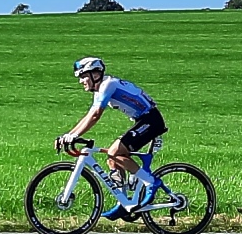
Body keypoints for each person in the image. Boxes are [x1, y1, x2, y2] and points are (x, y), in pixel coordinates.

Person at [56, 57, 167, 221]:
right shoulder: (101, 88)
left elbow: (95, 116)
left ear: (95, 74)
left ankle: (151, 182)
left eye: (83, 76)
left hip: (151, 121)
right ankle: (124, 204)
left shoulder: (108, 85)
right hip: (143, 120)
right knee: (113, 160)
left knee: (115, 151)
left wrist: (74, 136)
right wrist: (68, 135)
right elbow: (89, 115)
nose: (80, 81)